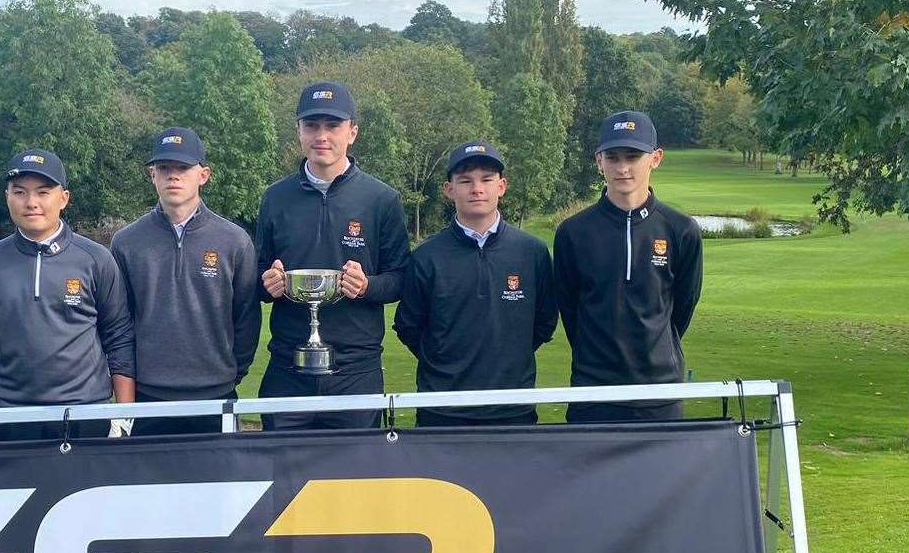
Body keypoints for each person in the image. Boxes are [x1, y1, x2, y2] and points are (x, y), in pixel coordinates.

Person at [256, 81, 411, 430]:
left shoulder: (381, 199)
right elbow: (255, 277)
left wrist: (367, 286)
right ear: (298, 131)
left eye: (332, 126)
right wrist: (267, 284)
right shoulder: (275, 198)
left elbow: (402, 278)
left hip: (356, 371)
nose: (321, 136)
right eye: (311, 126)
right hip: (287, 370)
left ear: (352, 132)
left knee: (354, 479)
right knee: (282, 477)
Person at [0, 149, 135, 442]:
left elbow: (119, 339)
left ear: (64, 198)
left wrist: (125, 419)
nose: (31, 203)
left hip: (85, 414)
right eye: (20, 192)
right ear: (7, 196)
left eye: (43, 192)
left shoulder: (95, 259)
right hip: (11, 416)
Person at [553, 111, 703, 423]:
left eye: (633, 156)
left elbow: (681, 308)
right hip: (592, 393)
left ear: (655, 158)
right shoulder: (573, 233)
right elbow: (571, 311)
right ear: (599, 160)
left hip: (660, 394)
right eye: (613, 157)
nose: (622, 168)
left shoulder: (681, 229)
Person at [394, 141, 557, 426]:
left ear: (502, 186)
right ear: (449, 190)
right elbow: (409, 326)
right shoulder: (426, 256)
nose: (477, 189)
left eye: (486, 180)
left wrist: (508, 359)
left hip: (512, 409)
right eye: (465, 181)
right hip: (441, 411)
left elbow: (544, 323)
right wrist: (446, 364)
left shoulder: (532, 252)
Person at [110, 127, 260, 435]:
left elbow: (246, 318)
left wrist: (231, 372)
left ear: (203, 175)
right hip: (149, 397)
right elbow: (119, 324)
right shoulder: (126, 242)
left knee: (222, 484)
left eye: (183, 168)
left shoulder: (233, 240)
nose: (173, 176)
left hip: (216, 395)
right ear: (152, 175)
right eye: (164, 169)